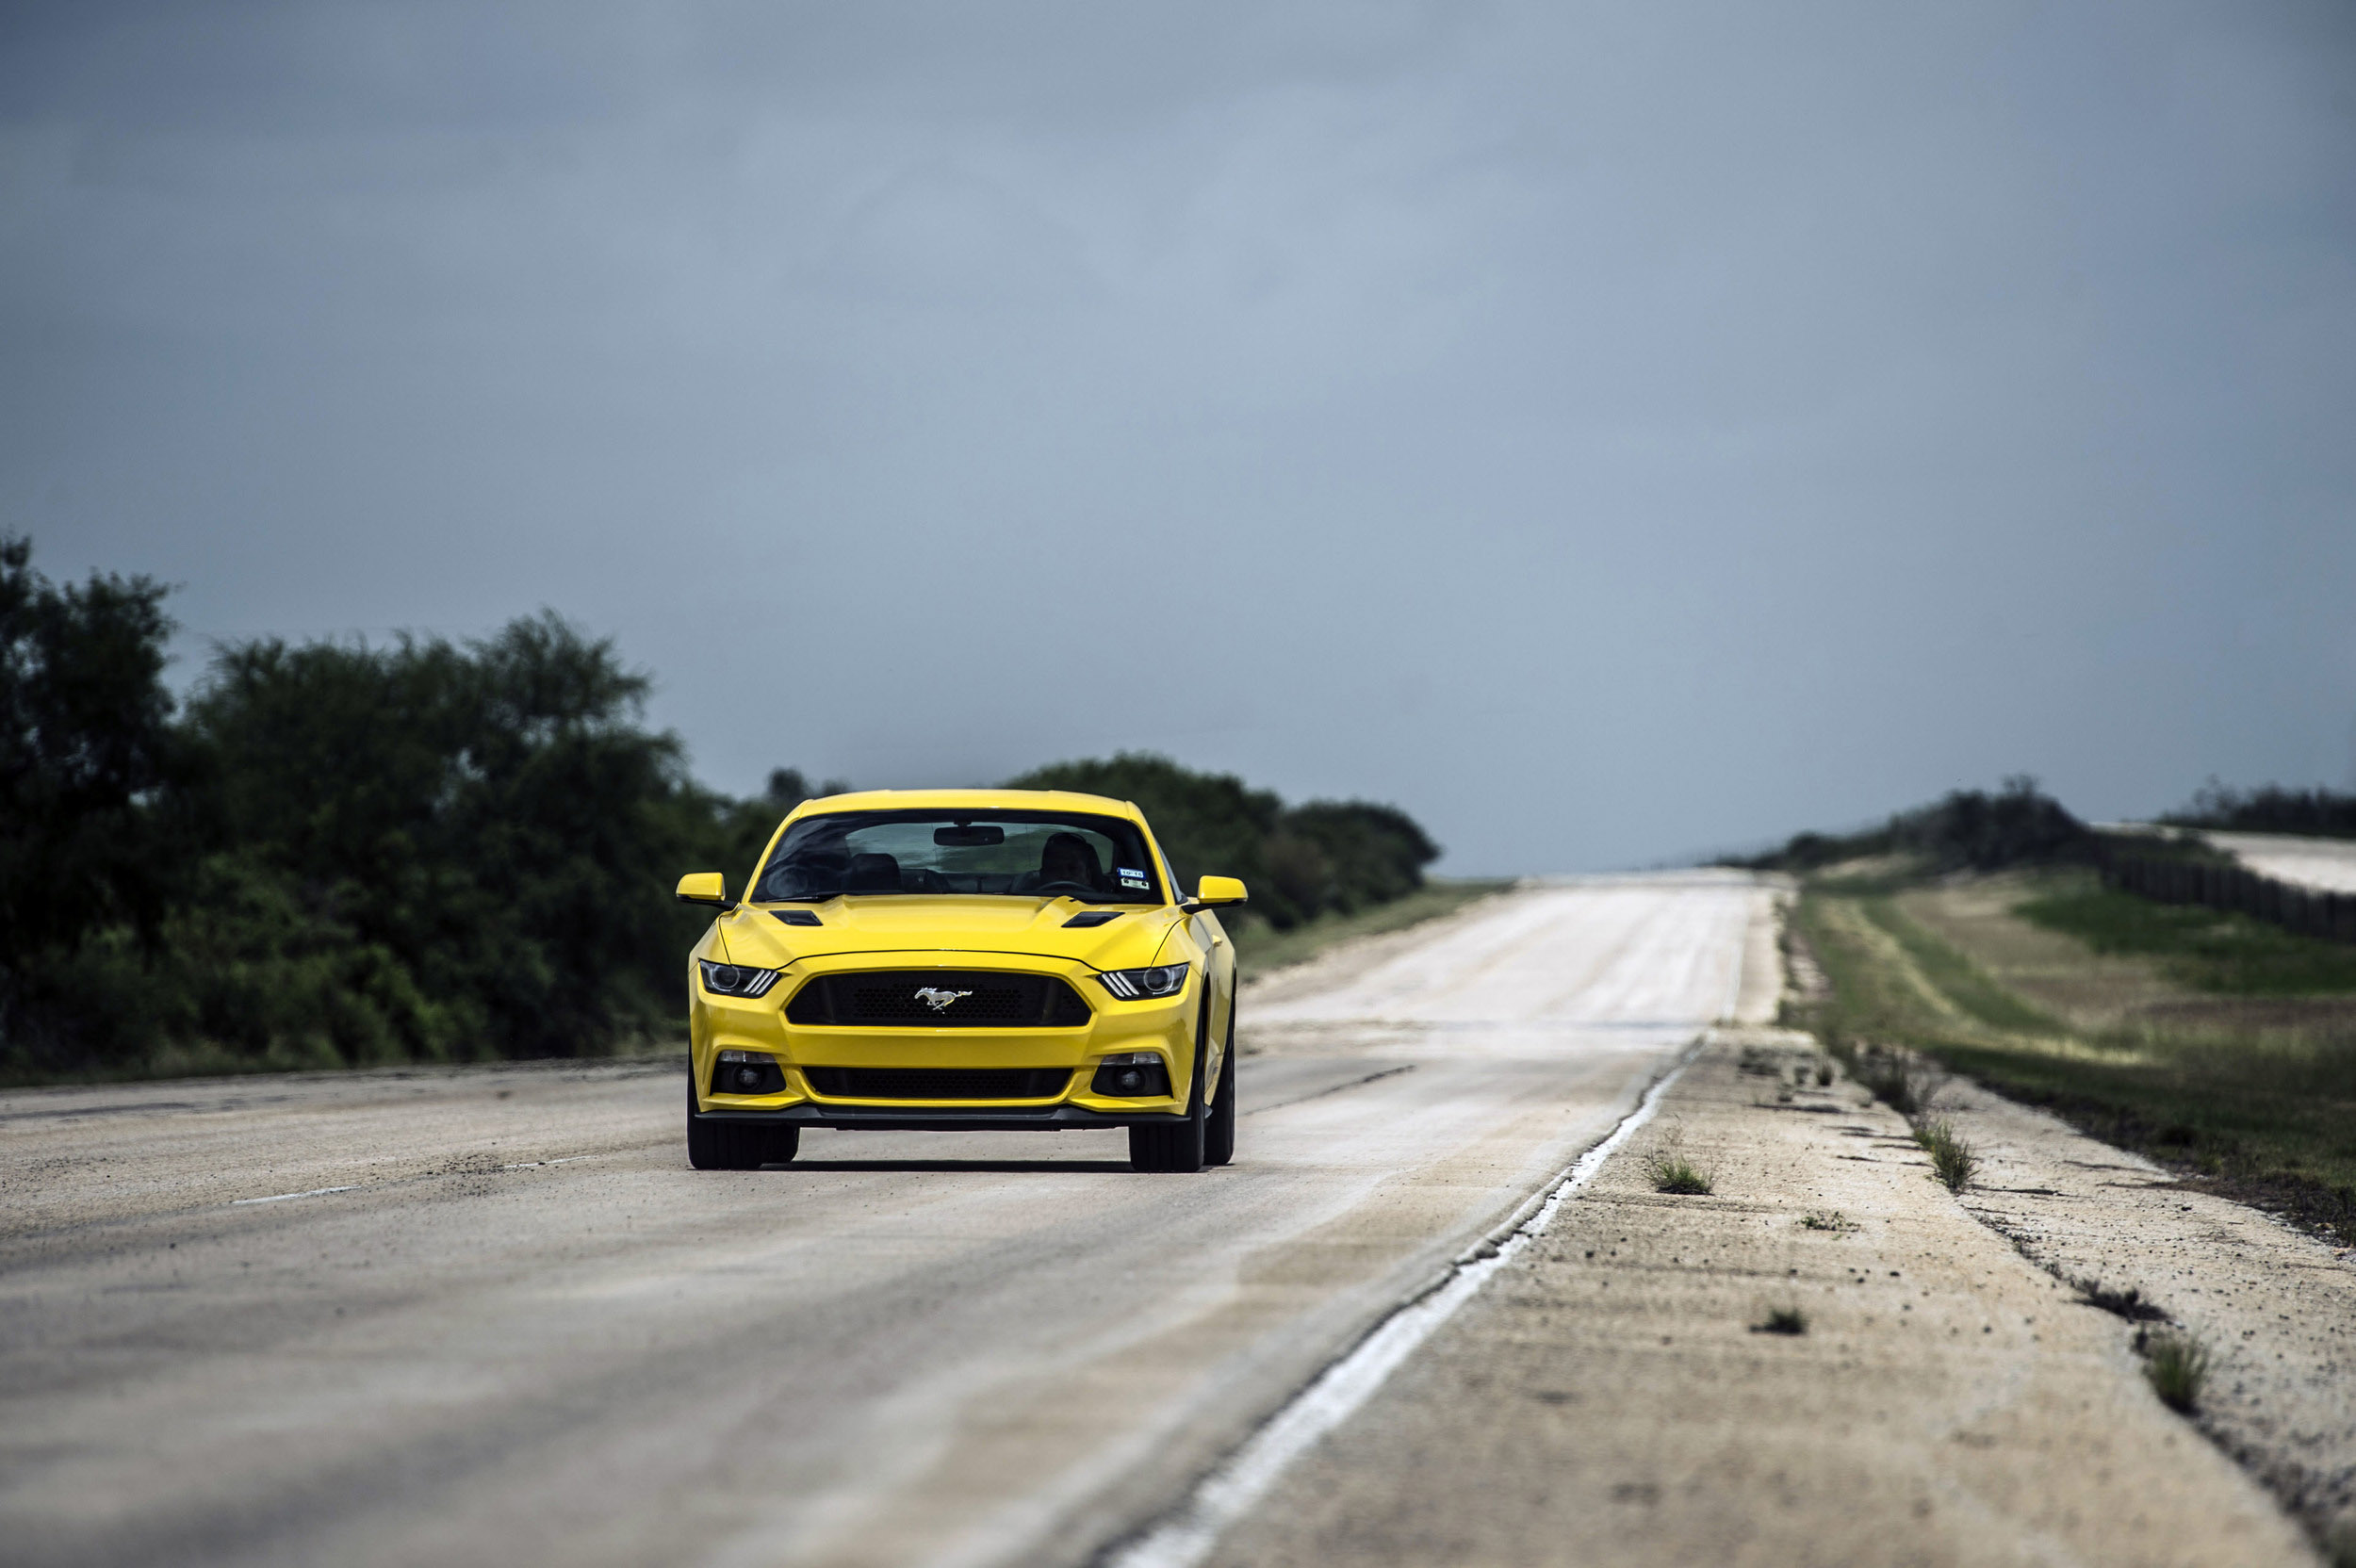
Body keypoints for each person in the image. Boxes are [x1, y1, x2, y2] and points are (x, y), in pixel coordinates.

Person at [1023, 832, 1103, 893]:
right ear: (1043, 874)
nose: (1065, 875)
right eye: (1055, 869)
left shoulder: (1105, 904)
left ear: (1088, 876)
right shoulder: (1023, 900)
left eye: (1073, 868)